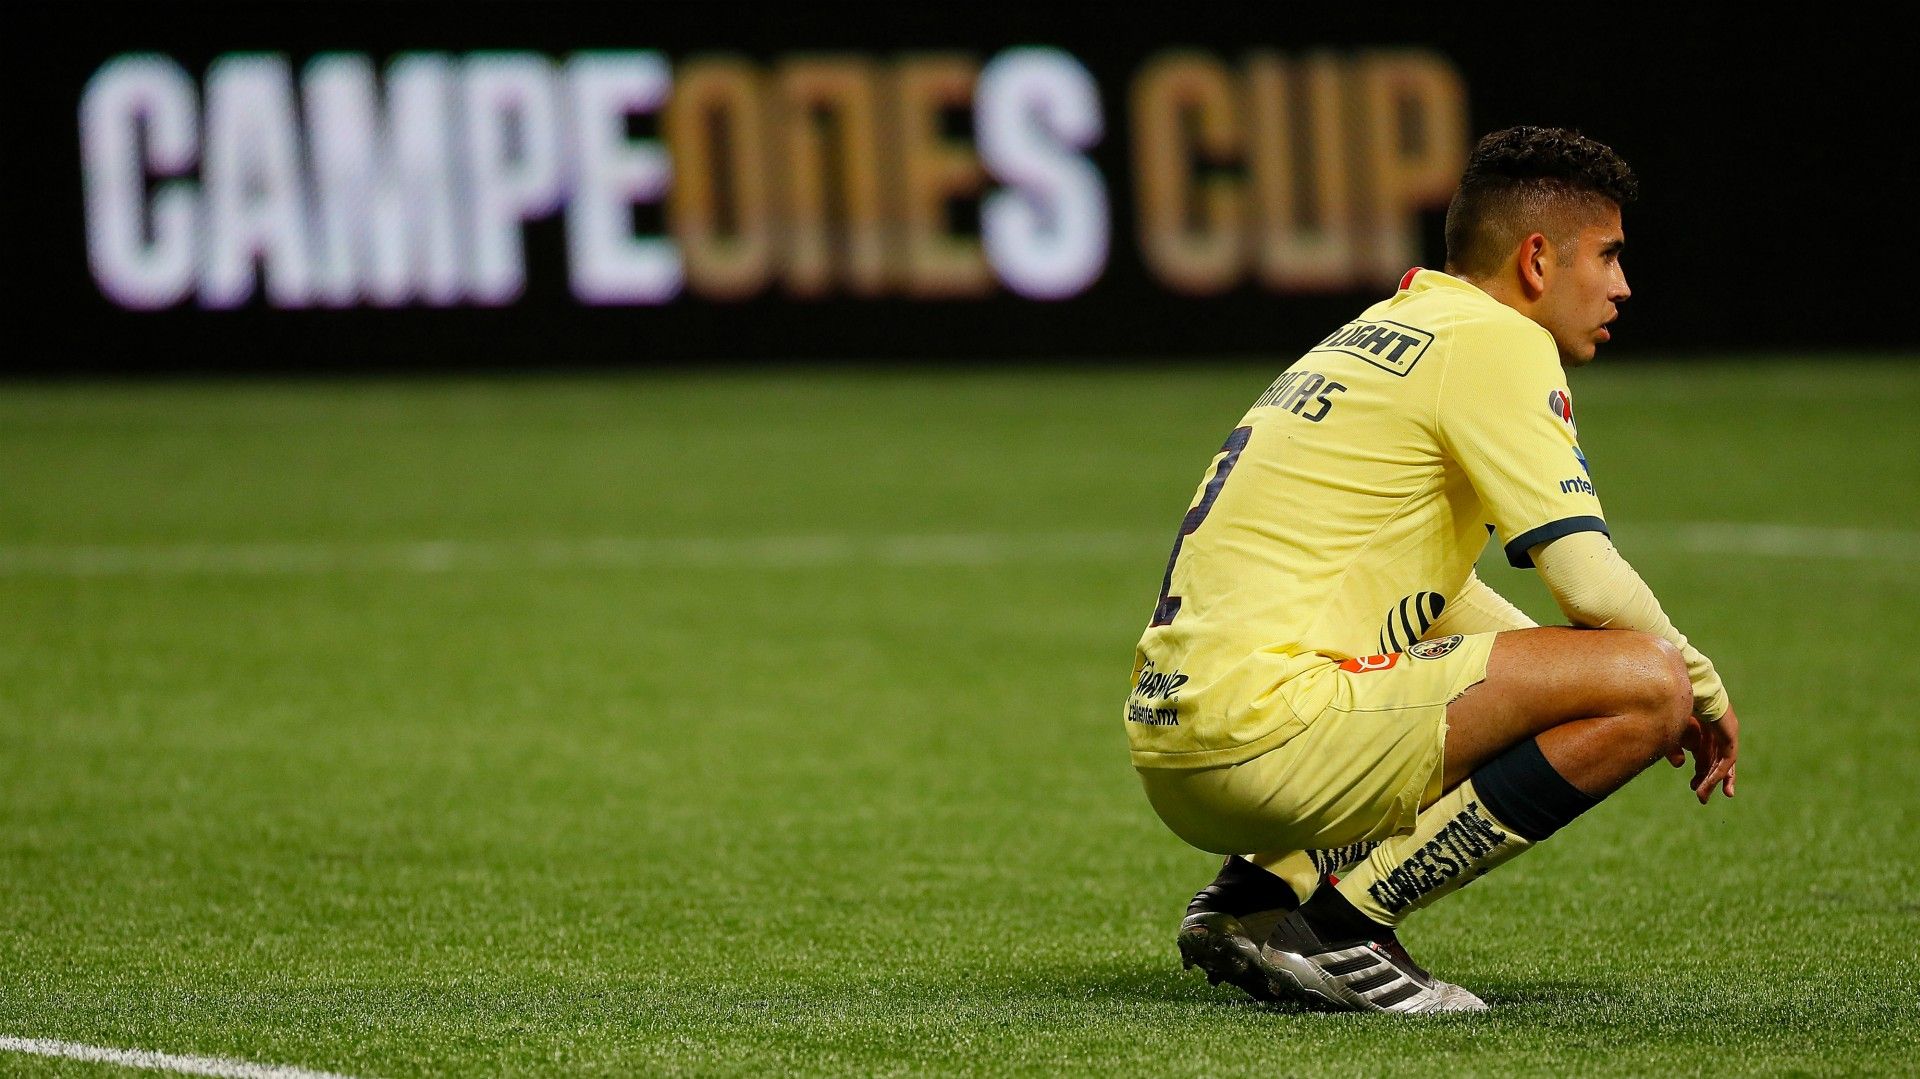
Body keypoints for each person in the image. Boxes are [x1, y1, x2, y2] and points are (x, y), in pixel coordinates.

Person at [1124, 126, 1739, 1014]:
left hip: (1180, 744)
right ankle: (1346, 927)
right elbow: (1592, 586)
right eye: (1606, 257)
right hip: (1268, 737)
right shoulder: (1496, 342)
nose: (1621, 285)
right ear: (1536, 261)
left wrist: (1565, 688)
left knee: (1613, 677)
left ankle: (1257, 895)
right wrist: (1696, 688)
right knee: (1651, 678)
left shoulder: (1386, 328)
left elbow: (1433, 592)